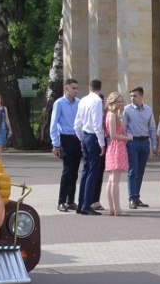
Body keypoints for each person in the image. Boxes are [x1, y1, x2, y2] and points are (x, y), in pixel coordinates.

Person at [49, 79, 82, 212]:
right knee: (67, 171)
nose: (75, 90)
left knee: (74, 172)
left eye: (76, 88)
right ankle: (61, 201)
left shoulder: (79, 102)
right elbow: (53, 123)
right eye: (73, 88)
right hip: (65, 138)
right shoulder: (59, 103)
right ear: (66, 89)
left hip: (77, 138)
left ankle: (71, 201)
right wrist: (56, 143)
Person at [74, 78, 106, 214]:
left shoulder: (83, 100)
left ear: (89, 87)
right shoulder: (97, 101)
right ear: (100, 88)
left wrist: (81, 138)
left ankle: (81, 204)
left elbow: (77, 124)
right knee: (93, 172)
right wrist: (102, 143)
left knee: (86, 171)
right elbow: (97, 124)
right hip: (94, 137)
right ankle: (87, 205)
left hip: (86, 135)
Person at [122, 86, 154, 208]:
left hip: (145, 141)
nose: (132, 98)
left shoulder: (148, 110)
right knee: (132, 170)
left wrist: (154, 144)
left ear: (141, 96)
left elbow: (152, 127)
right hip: (132, 142)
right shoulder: (127, 110)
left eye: (135, 96)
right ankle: (131, 198)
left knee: (140, 171)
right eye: (131, 96)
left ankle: (137, 197)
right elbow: (124, 127)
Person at [102, 92, 130, 216]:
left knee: (111, 179)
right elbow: (113, 135)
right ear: (112, 103)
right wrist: (128, 137)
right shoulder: (112, 115)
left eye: (121, 101)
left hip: (115, 147)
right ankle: (116, 208)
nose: (120, 103)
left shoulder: (110, 115)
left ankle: (112, 208)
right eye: (118, 101)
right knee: (115, 180)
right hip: (116, 147)